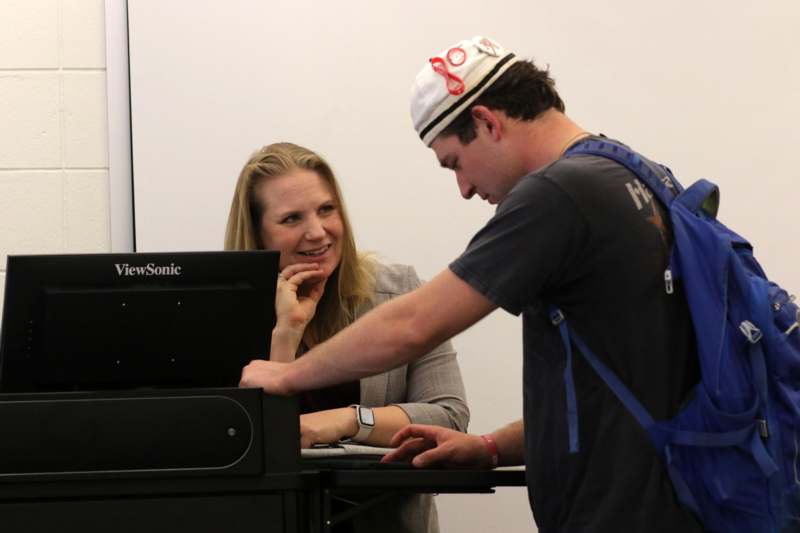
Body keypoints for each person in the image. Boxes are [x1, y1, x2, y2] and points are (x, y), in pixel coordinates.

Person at [239, 37, 706, 532]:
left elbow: (414, 324)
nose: (463, 189)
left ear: (485, 121)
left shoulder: (557, 194)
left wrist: (285, 376)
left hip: (627, 511)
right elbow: (615, 393)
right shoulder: (639, 177)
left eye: (454, 163)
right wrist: (490, 448)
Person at [225, 142, 469, 533]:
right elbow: (246, 444)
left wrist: (347, 421)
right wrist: (285, 337)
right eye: (291, 219)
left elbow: (450, 418)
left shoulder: (400, 293)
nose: (317, 232)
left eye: (326, 209)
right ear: (258, 233)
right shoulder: (227, 316)